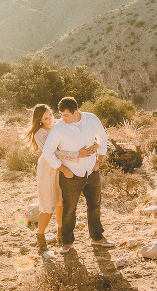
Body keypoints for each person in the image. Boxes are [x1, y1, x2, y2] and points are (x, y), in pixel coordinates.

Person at [42, 96, 115, 253]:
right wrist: (64, 169)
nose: (63, 118)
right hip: (71, 175)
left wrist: (99, 162)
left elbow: (103, 138)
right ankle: (67, 242)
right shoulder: (59, 128)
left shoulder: (91, 119)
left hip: (92, 172)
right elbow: (47, 152)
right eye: (61, 115)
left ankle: (97, 238)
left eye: (66, 115)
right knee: (69, 210)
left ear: (75, 112)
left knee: (94, 206)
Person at [26, 104, 96, 249]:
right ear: (40, 121)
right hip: (48, 170)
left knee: (61, 204)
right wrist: (77, 155)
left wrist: (92, 144)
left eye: (51, 115)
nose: (50, 119)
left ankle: (61, 234)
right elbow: (54, 153)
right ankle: (41, 236)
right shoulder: (39, 134)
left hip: (64, 168)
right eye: (46, 118)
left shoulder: (59, 126)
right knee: (47, 206)